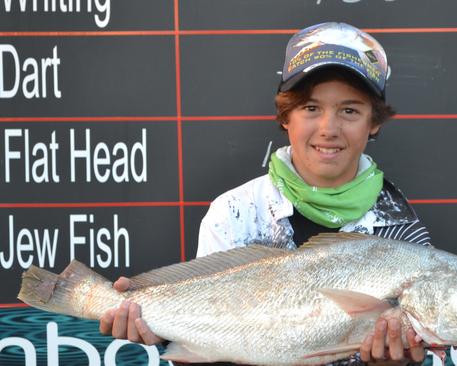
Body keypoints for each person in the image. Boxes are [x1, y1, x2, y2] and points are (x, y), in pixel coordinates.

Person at [99, 22, 436, 365]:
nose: (328, 129)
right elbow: (196, 356)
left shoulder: (400, 227)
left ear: (373, 121)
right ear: (285, 114)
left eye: (349, 111)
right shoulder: (234, 212)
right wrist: (156, 327)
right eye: (310, 108)